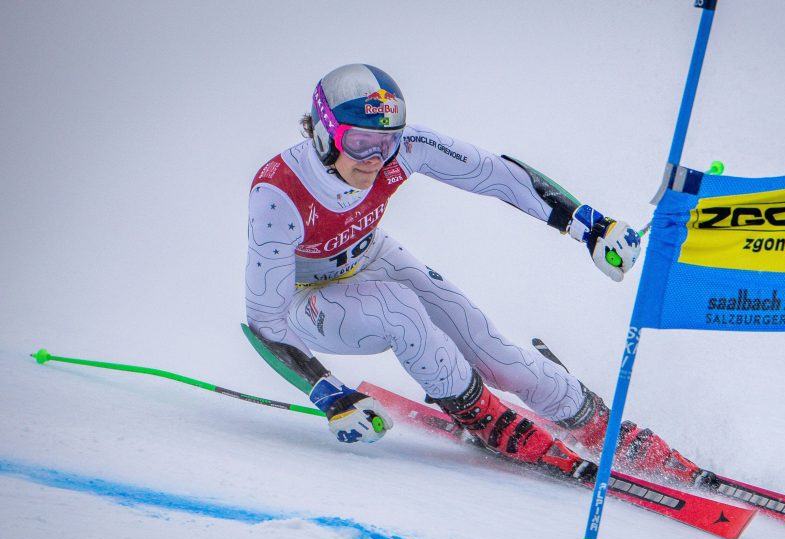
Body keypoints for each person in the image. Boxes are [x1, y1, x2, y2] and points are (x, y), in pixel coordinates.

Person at [246, 63, 702, 484]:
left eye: (386, 143)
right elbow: (265, 320)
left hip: (369, 256)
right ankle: (480, 415)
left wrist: (590, 226)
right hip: (304, 300)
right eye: (359, 142)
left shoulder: (404, 149)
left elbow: (494, 174)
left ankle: (596, 422)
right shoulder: (279, 191)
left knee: (493, 351)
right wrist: (330, 395)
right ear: (323, 133)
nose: (375, 158)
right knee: (400, 311)